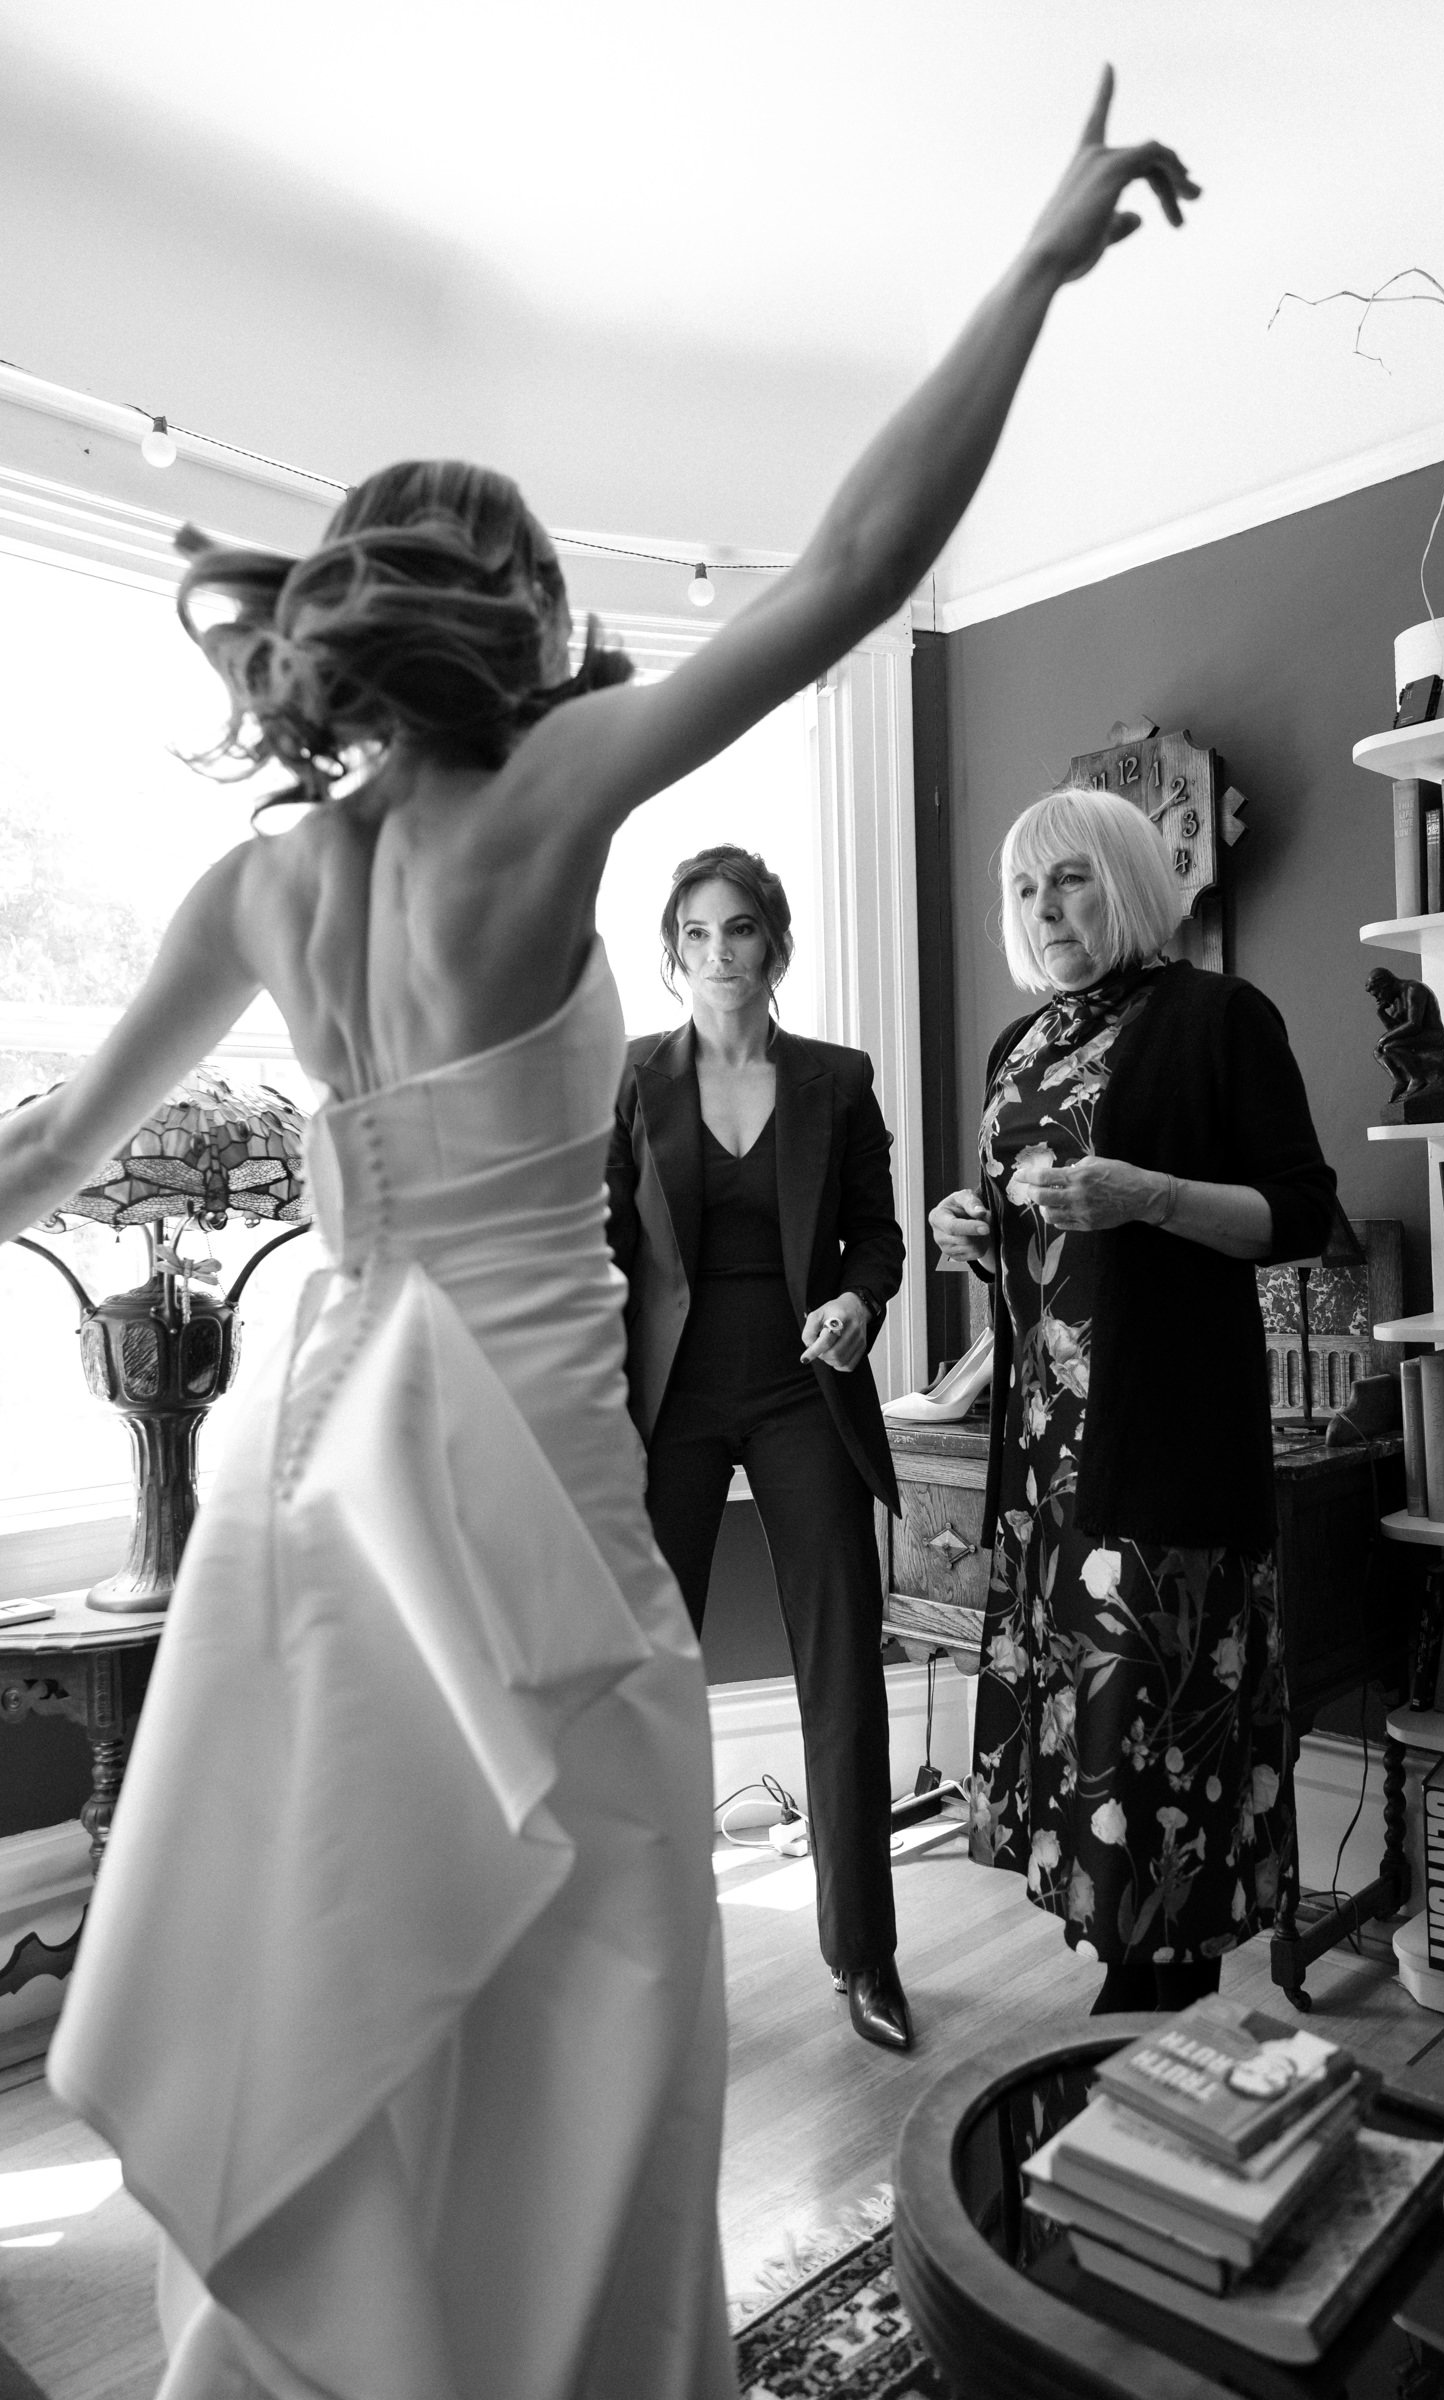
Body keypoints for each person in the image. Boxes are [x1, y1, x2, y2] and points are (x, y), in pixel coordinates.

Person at [0, 69, 1199, 2400]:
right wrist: (1035, 267)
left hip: (315, 1478)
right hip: (520, 1488)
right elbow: (846, 572)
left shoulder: (260, 885)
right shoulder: (544, 796)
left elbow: (40, 1151)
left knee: (343, 1939)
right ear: (519, 624)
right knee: (587, 1962)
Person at [930, 786, 1335, 2016]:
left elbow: (1298, 1216)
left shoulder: (1217, 1016)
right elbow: (1047, 1246)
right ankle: (1137, 2024)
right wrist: (974, 1233)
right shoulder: (1019, 1045)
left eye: (1071, 879)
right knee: (1090, 1733)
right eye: (1024, 888)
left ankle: (1152, 2010)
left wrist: (1150, 1196)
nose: (1045, 908)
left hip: (1163, 1442)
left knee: (1160, 1729)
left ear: (1128, 883)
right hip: (1046, 1462)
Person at [607, 843, 909, 2049]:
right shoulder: (632, 1078)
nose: (718, 952)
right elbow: (598, 1247)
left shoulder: (836, 1080)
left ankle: (866, 1957)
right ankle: (650, 1967)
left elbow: (877, 1235)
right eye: (695, 932)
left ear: (774, 943)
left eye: (738, 929)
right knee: (648, 1684)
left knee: (840, 1666)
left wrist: (861, 1302)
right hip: (668, 1405)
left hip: (802, 1392)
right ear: (671, 952)